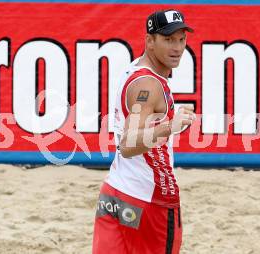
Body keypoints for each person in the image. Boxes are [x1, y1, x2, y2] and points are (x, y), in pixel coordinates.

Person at [93, 9, 195, 254]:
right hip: (151, 201)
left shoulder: (136, 72)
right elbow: (128, 144)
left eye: (181, 40)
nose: (177, 48)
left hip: (115, 194)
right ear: (150, 41)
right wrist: (172, 125)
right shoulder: (149, 84)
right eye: (168, 39)